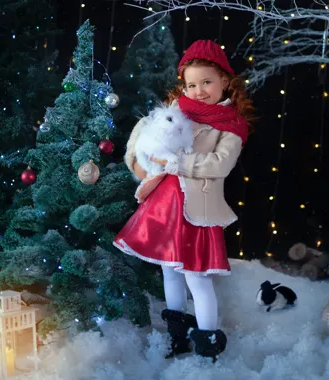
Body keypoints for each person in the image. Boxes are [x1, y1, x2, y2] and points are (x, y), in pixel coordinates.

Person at [113, 39, 254, 361]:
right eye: (192, 84)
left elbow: (220, 165)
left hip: (197, 212)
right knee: (170, 271)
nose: (200, 91)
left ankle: (207, 347)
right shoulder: (178, 112)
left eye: (207, 82)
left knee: (198, 279)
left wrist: (177, 164)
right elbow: (148, 139)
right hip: (164, 206)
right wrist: (142, 159)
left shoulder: (231, 126)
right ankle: (177, 337)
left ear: (224, 82)